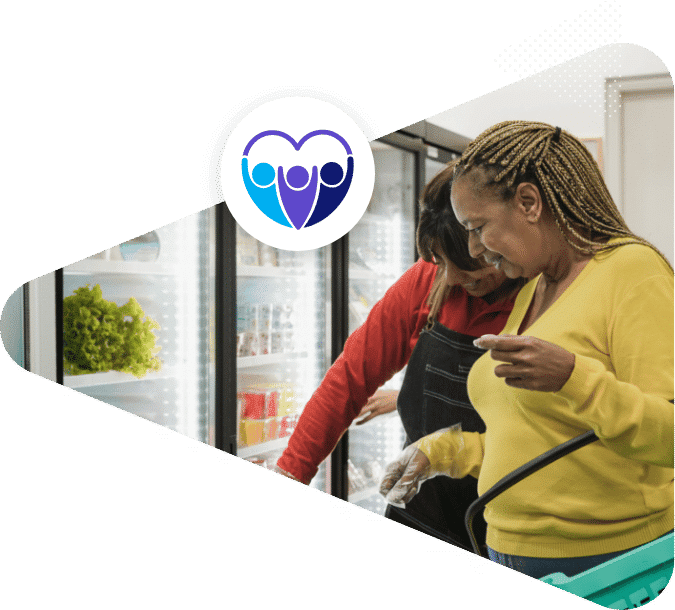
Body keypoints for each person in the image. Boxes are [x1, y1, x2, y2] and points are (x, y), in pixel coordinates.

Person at [380, 120, 674, 579]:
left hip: (604, 562)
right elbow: (541, 439)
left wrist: (576, 378)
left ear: (529, 203)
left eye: (479, 227)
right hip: (508, 550)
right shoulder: (533, 288)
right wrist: (443, 451)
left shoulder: (634, 272)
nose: (475, 250)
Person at [275, 161, 524, 551]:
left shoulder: (542, 301)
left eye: (472, 274)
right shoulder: (426, 281)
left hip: (505, 525)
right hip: (417, 508)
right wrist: (292, 470)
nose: (455, 282)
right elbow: (349, 378)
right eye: (444, 266)